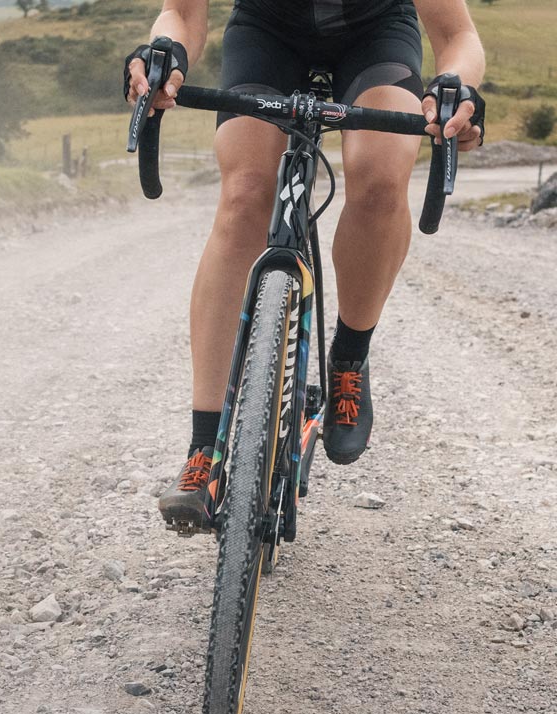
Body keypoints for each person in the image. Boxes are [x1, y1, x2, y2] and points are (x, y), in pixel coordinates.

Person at [124, 0, 486, 529]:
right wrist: (165, 54)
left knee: (381, 181)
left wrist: (457, 86)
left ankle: (349, 359)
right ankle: (205, 449)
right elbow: (180, 12)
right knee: (245, 195)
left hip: (375, 34)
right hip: (267, 32)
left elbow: (457, 36)